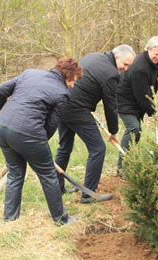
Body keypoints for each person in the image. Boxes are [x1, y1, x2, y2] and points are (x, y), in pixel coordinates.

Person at [0, 57, 83, 225]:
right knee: (49, 175)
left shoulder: (30, 73)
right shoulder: (62, 93)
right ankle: (61, 220)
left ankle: (10, 219)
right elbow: (50, 126)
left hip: (1, 127)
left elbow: (1, 89)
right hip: (28, 134)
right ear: (68, 75)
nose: (72, 86)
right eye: (74, 81)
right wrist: (37, 147)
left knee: (15, 173)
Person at [54, 45, 136, 204]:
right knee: (98, 148)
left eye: (128, 66)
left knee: (65, 147)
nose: (125, 69)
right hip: (76, 109)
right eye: (125, 64)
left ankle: (57, 187)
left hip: (61, 103)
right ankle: (88, 194)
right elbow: (110, 106)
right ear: (117, 57)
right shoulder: (111, 74)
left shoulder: (93, 56)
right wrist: (114, 132)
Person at [116, 36, 158, 176]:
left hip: (135, 100)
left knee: (136, 132)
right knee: (133, 128)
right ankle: (122, 168)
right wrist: (152, 111)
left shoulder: (155, 63)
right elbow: (141, 94)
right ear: (148, 50)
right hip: (123, 100)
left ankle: (130, 162)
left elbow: (152, 83)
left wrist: (153, 100)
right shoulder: (140, 67)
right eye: (155, 54)